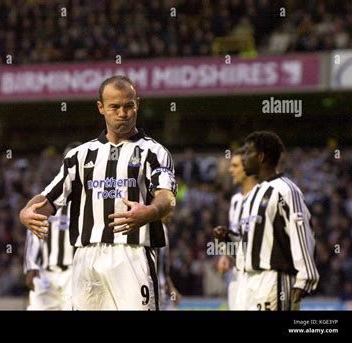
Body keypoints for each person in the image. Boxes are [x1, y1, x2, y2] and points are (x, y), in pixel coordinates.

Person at [20, 75, 177, 310]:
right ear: (101, 108)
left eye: (129, 106)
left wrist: (150, 211)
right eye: (114, 107)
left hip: (132, 254)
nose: (122, 113)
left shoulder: (153, 152)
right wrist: (27, 211)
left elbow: (167, 196)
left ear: (138, 104)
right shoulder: (80, 156)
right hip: (86, 256)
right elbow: (49, 197)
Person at [235, 131, 319, 310]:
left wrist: (305, 277)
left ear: (261, 157)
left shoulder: (286, 190)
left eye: (248, 152)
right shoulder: (252, 196)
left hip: (274, 280)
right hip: (249, 282)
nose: (243, 158)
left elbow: (302, 231)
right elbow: (252, 244)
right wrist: (226, 241)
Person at [24, 142, 80, 310]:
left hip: (75, 272)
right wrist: (31, 266)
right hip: (45, 271)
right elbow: (34, 231)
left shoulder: (90, 198)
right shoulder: (51, 194)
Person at [214, 147, 257, 310]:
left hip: (258, 275)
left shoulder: (265, 197)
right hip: (237, 276)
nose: (230, 170)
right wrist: (225, 255)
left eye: (235, 166)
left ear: (248, 167)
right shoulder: (236, 201)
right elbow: (235, 235)